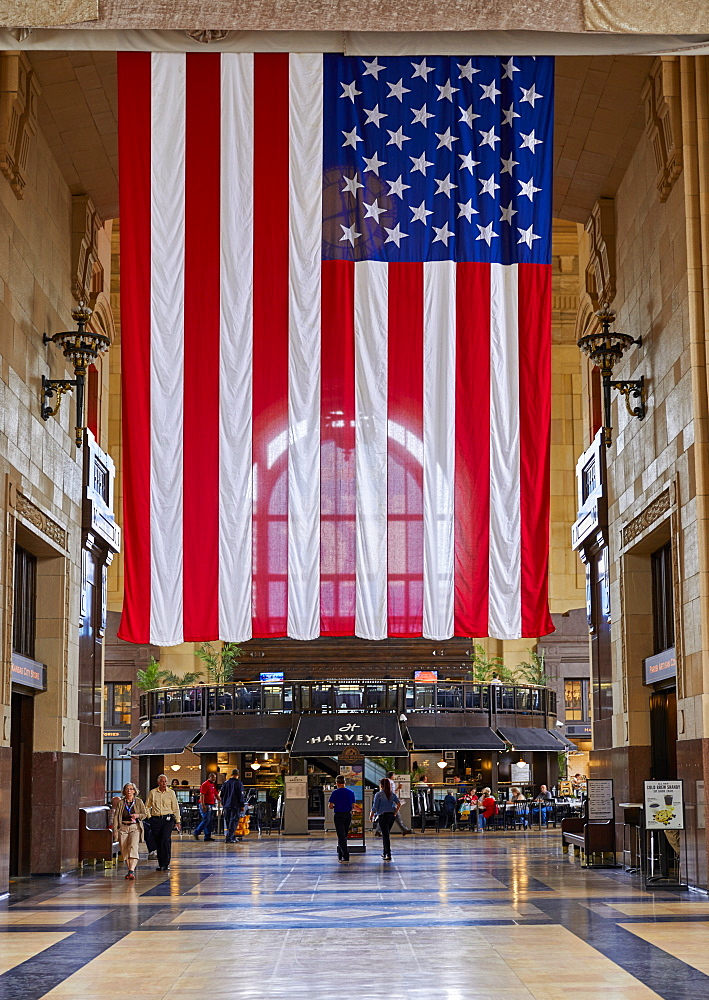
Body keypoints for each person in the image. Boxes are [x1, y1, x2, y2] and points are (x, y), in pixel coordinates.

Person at [112, 782, 148, 880]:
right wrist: (115, 830)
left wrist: (137, 815)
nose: (129, 791)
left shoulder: (138, 802)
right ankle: (129, 870)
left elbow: (145, 814)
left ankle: (131, 870)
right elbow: (116, 817)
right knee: (125, 849)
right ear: (124, 791)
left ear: (134, 791)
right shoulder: (121, 803)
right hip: (123, 827)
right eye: (127, 789)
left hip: (134, 827)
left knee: (133, 847)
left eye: (131, 789)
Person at [145, 773, 181, 871]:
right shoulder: (153, 792)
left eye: (165, 781)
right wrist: (149, 817)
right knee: (158, 841)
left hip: (168, 819)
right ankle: (161, 864)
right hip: (156, 819)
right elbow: (147, 806)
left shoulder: (171, 793)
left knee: (165, 840)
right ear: (158, 782)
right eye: (162, 781)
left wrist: (178, 821)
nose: (164, 783)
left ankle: (166, 863)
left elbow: (175, 808)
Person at [370, 777, 400, 861]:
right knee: (386, 835)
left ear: (382, 785)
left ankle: (388, 854)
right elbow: (399, 803)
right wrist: (395, 813)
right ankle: (384, 852)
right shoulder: (392, 794)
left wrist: (371, 815)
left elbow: (375, 807)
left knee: (385, 836)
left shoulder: (378, 794)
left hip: (383, 817)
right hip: (391, 817)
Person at [328, 774, 356, 864]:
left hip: (338, 815)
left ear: (337, 783)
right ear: (345, 782)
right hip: (348, 815)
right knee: (344, 834)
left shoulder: (335, 793)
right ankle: (340, 854)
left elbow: (330, 806)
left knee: (341, 835)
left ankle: (345, 856)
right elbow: (353, 806)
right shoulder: (351, 792)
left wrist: (336, 805)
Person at [220, 769, 245, 843]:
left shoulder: (226, 783)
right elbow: (240, 795)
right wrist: (242, 805)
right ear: (238, 775)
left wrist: (223, 803)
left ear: (231, 774)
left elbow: (221, 794)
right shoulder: (239, 783)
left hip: (226, 806)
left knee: (228, 821)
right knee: (233, 822)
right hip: (235, 805)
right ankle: (229, 838)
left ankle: (232, 836)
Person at [193, 772, 219, 841]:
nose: (214, 779)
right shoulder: (205, 784)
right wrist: (203, 805)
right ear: (209, 777)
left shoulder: (212, 785)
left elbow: (216, 794)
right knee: (206, 819)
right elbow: (202, 795)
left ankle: (207, 836)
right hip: (205, 804)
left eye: (215, 778)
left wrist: (221, 801)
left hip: (211, 804)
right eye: (213, 777)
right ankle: (196, 832)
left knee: (209, 821)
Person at [386, 771, 412, 835]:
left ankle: (379, 830)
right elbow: (393, 793)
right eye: (394, 775)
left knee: (387, 816)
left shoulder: (386, 782)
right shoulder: (391, 782)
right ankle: (404, 829)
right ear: (392, 776)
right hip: (391, 802)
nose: (394, 776)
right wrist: (399, 788)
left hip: (387, 802)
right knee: (397, 815)